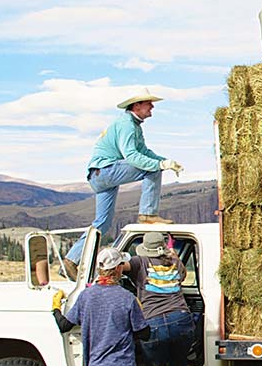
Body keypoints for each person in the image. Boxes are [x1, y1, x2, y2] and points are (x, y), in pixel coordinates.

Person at [64, 90, 184, 279]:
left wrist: (166, 160)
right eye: (149, 104)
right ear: (137, 106)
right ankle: (148, 214)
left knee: (101, 224)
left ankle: (72, 259)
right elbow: (132, 156)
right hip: (106, 170)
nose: (152, 107)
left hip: (99, 174)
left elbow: (144, 151)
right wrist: (160, 165)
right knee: (152, 169)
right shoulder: (126, 125)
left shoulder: (133, 125)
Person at [127, 232, 199, 366]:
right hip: (182, 319)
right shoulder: (174, 262)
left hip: (154, 322)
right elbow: (183, 275)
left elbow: (120, 266)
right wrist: (173, 255)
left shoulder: (138, 262)